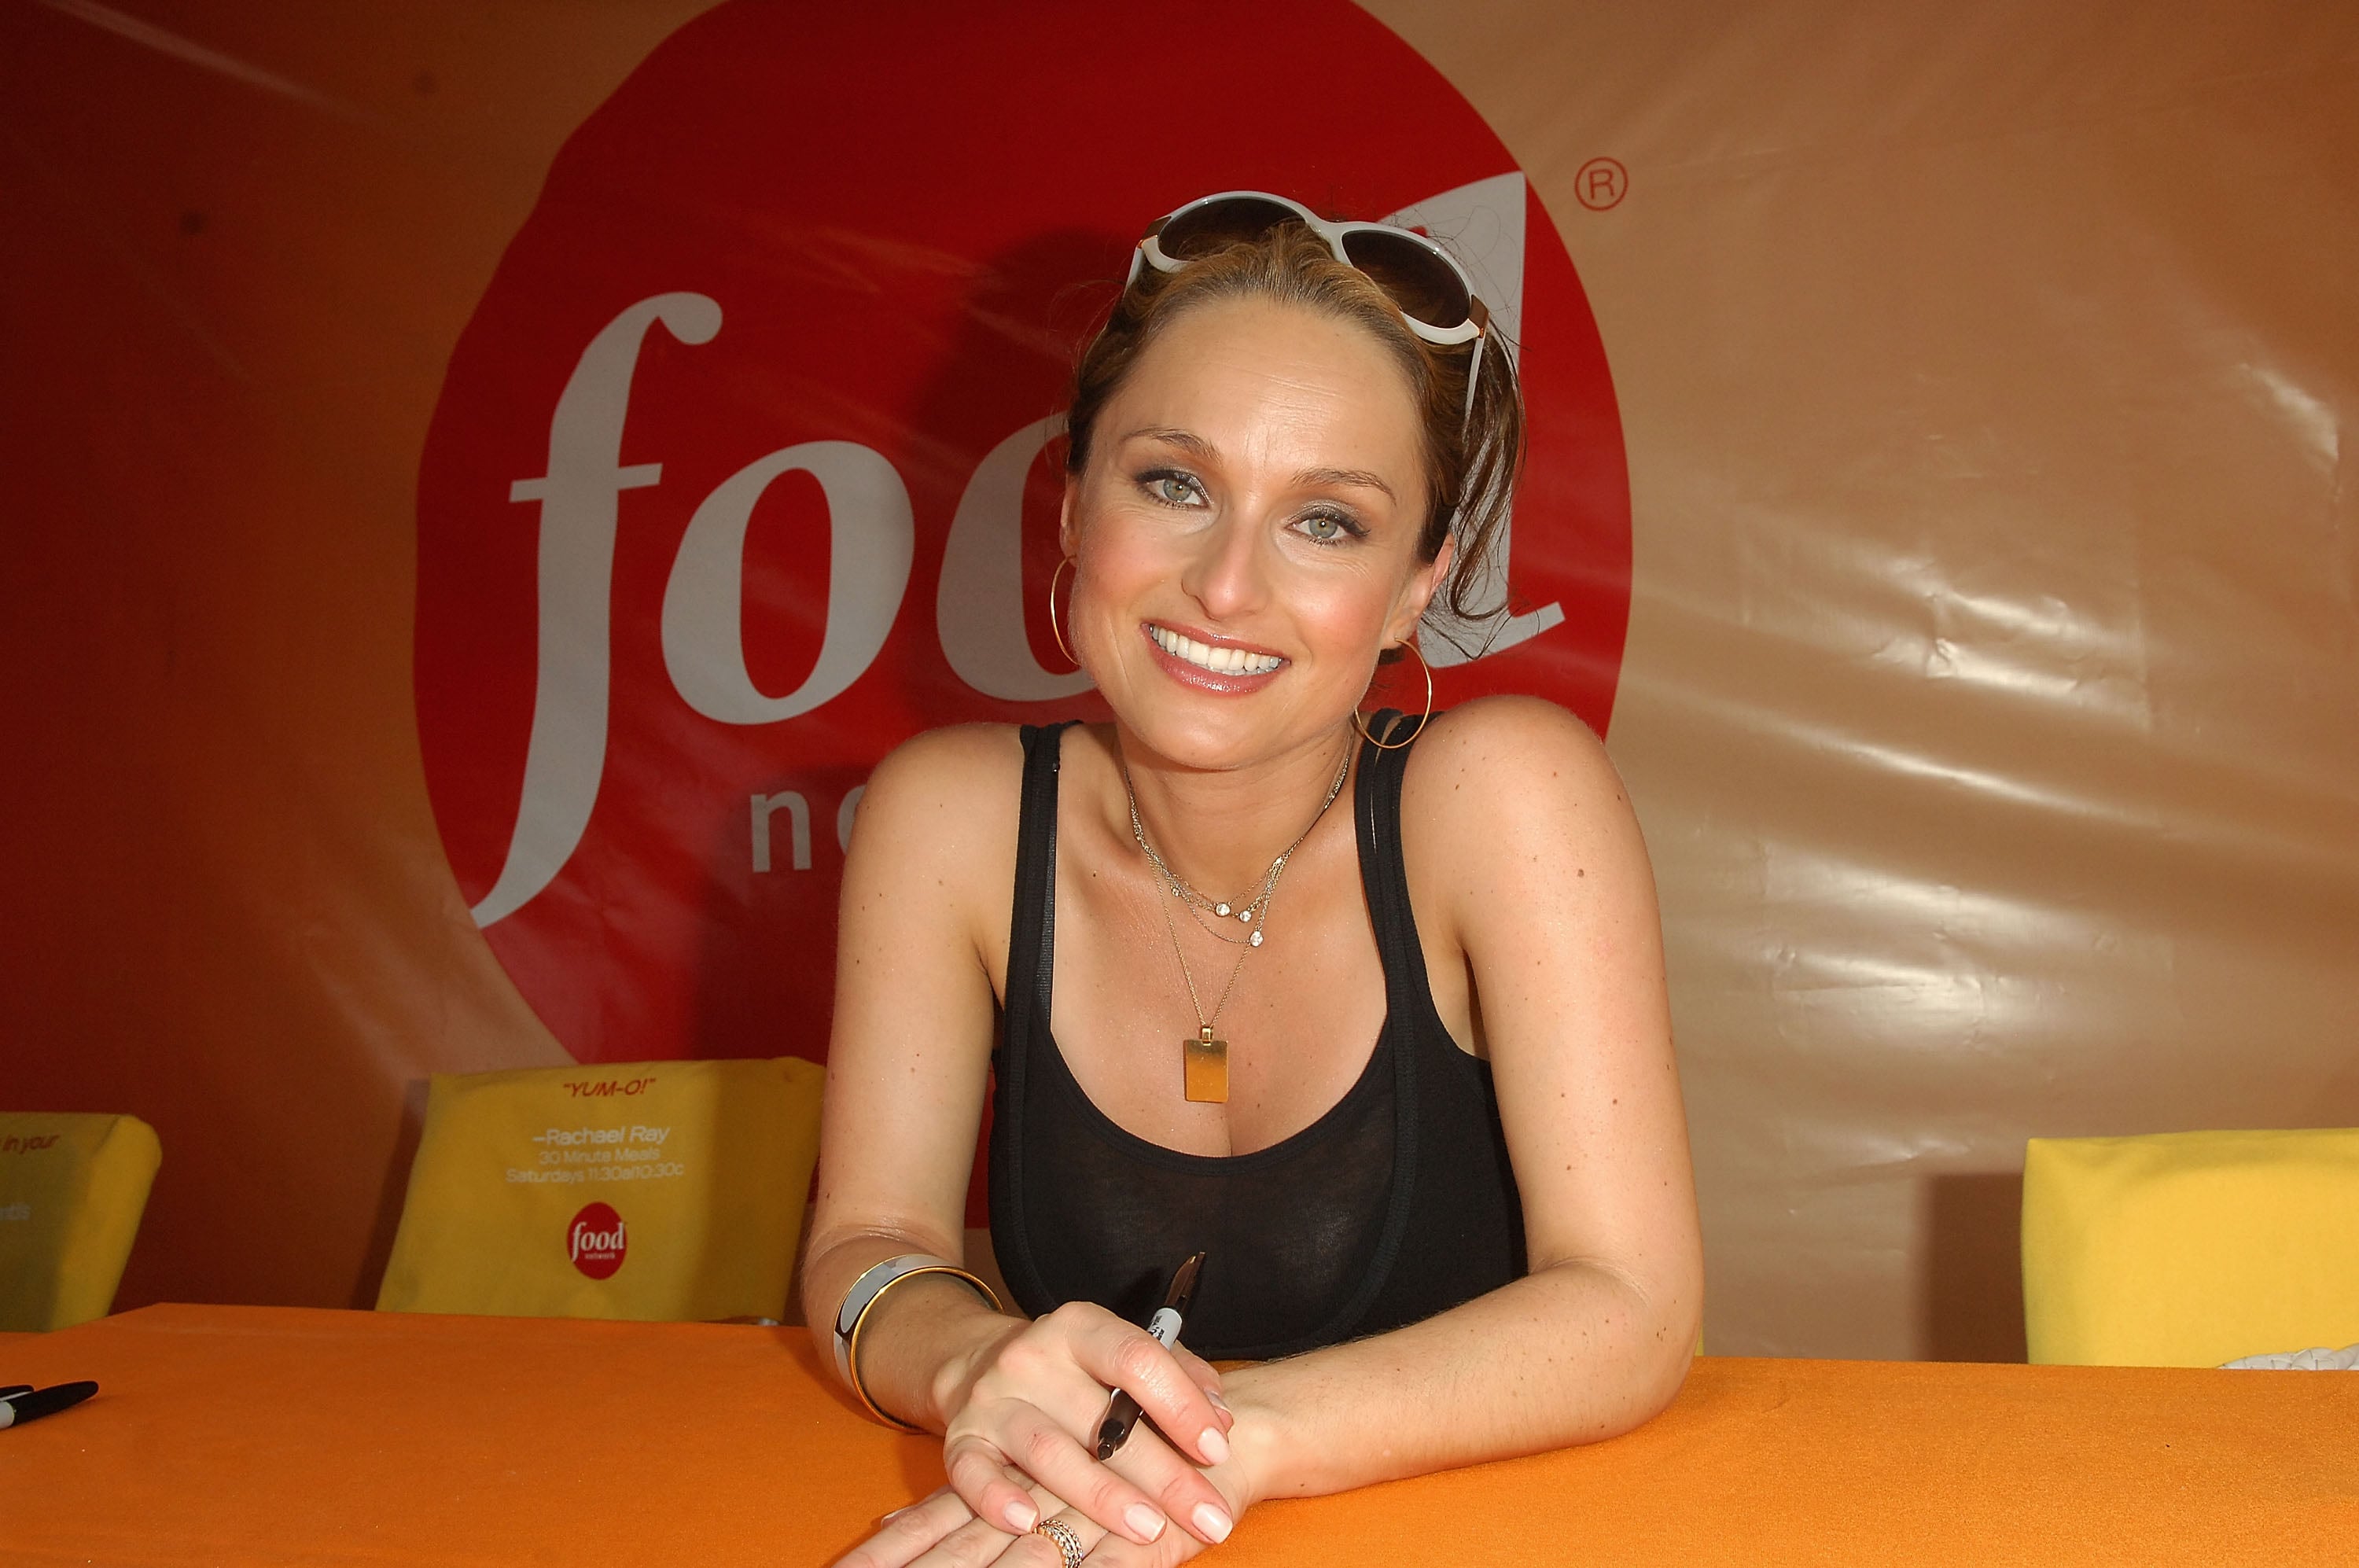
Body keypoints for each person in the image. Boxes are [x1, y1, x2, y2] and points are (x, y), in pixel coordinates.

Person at [804, 191, 1701, 1568]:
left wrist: (1219, 1442)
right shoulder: (949, 820)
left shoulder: (1505, 796)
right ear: (1074, 502)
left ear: (1417, 586)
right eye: (1175, 484)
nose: (1225, 586)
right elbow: (868, 1239)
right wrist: (973, 1363)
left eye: (1327, 521)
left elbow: (1634, 1307)